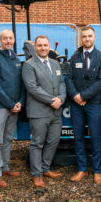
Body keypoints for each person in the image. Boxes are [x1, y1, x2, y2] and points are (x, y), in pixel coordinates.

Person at [66, 26, 101, 184]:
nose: (87, 39)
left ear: (95, 37)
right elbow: (68, 79)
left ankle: (97, 171)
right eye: (84, 36)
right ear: (81, 39)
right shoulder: (75, 57)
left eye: (90, 36)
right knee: (78, 137)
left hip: (94, 104)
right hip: (76, 104)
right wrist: (76, 96)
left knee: (96, 137)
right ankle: (82, 169)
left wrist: (84, 95)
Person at [22, 35, 66, 188]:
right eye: (40, 45)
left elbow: (61, 83)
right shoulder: (29, 65)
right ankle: (37, 174)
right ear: (35, 47)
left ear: (49, 47)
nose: (43, 48)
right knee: (37, 143)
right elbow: (32, 88)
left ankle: (45, 168)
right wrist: (52, 101)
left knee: (53, 141)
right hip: (39, 112)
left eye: (45, 45)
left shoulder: (55, 64)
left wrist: (60, 98)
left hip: (56, 111)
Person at [0, 29, 25, 188]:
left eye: (10, 38)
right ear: (0, 40)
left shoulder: (15, 59)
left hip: (14, 107)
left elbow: (22, 84)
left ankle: (5, 167)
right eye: (5, 39)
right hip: (0, 107)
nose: (8, 41)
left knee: (8, 138)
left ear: (14, 40)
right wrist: (10, 104)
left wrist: (20, 102)